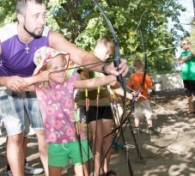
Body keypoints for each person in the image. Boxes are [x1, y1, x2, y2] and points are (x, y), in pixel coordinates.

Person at [0, 0, 129, 176]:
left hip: (40, 82)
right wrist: (3, 81)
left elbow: (80, 56)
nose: (42, 21)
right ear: (20, 17)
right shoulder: (1, 38)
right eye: (36, 16)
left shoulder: (47, 35)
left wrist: (106, 67)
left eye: (43, 15)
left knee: (43, 133)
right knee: (16, 135)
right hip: (6, 83)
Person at [23, 47, 122, 176]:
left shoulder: (69, 83)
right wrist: (38, 78)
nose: (61, 71)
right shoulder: (40, 88)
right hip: (55, 141)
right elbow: (20, 85)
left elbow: (91, 82)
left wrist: (114, 76)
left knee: (83, 172)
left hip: (77, 138)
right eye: (55, 68)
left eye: (63, 66)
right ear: (44, 71)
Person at [76, 37, 119, 176]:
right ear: (99, 47)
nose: (107, 56)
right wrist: (105, 77)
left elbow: (115, 86)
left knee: (107, 138)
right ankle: (97, 170)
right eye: (106, 52)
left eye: (109, 55)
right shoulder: (86, 61)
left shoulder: (106, 67)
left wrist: (131, 95)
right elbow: (84, 79)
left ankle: (106, 169)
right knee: (98, 137)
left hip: (105, 103)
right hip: (90, 105)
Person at [127, 59, 156, 135]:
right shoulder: (145, 75)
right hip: (144, 97)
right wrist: (154, 87)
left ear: (134, 67)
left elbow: (128, 87)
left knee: (137, 114)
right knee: (148, 113)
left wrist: (133, 93)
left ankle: (136, 129)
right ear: (142, 66)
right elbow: (150, 86)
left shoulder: (132, 76)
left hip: (136, 98)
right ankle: (150, 128)